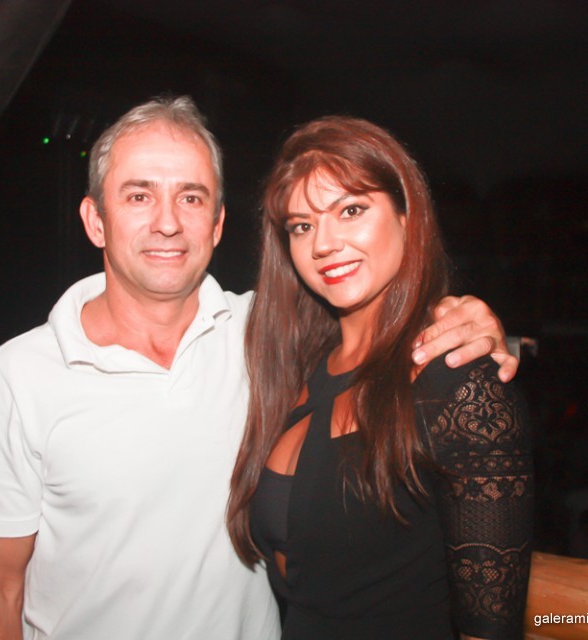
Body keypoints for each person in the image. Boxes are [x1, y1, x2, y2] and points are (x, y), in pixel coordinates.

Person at [0, 96, 519, 639]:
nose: (168, 222)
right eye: (139, 196)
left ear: (218, 224)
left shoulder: (265, 338)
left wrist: (469, 320)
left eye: (191, 198)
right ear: (95, 220)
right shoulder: (20, 375)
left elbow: (388, 346)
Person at [227, 116, 533, 639]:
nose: (323, 244)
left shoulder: (458, 383)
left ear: (407, 218)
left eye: (350, 210)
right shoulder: (297, 365)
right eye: (302, 226)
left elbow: (490, 629)